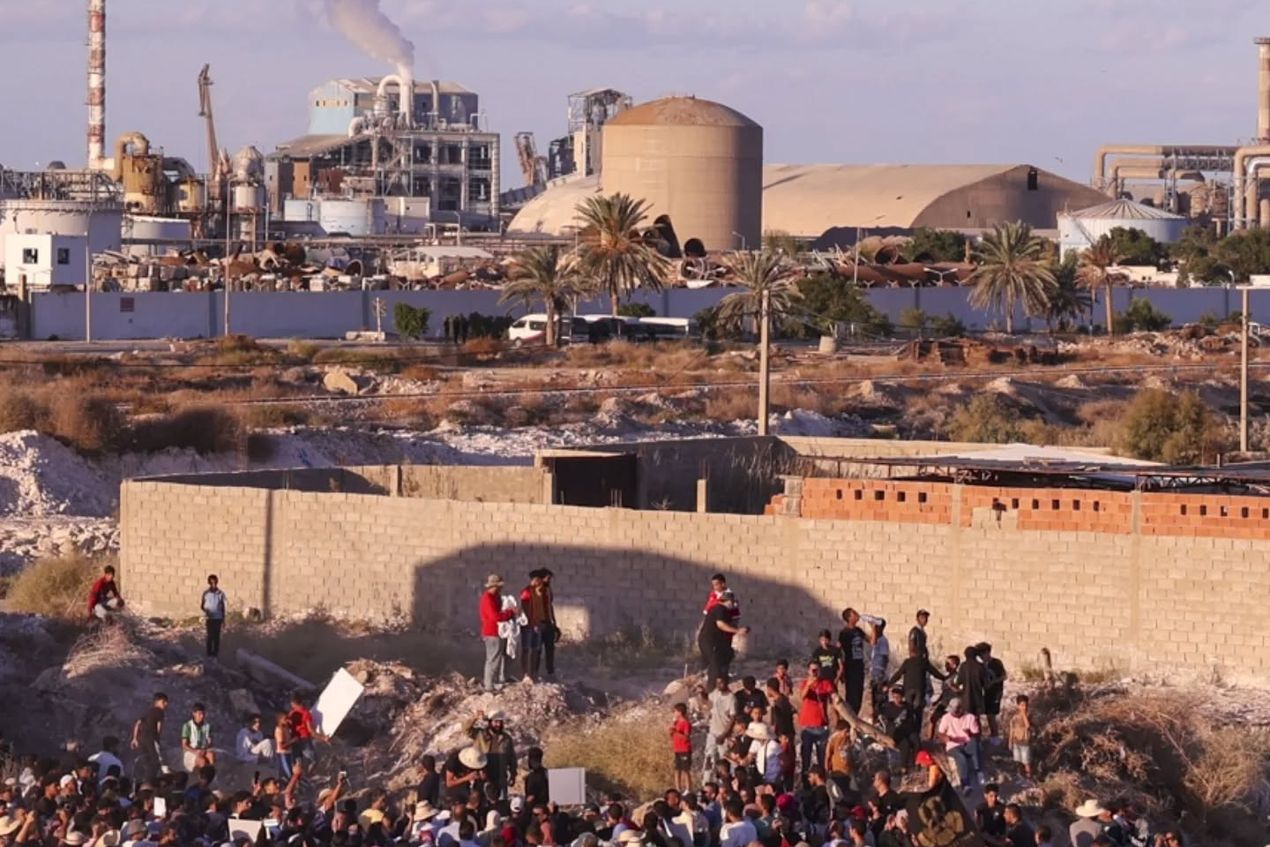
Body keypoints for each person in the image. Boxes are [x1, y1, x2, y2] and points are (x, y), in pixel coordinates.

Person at [890, 642, 946, 730]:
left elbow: (898, 674)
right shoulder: (924, 662)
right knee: (918, 711)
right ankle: (916, 730)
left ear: (912, 653)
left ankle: (908, 729)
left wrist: (889, 683)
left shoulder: (907, 662)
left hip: (908, 689)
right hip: (919, 690)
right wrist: (944, 678)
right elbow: (935, 672)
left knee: (908, 709)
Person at [697, 591, 747, 688]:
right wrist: (737, 631)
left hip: (717, 642)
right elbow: (721, 625)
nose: (734, 604)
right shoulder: (720, 608)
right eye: (732, 602)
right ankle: (710, 689)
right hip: (709, 641)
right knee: (714, 664)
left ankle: (720, 683)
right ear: (728, 601)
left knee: (725, 658)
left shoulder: (725, 612)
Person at [479, 574, 517, 693]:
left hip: (498, 632)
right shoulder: (488, 598)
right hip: (492, 633)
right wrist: (510, 613)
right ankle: (489, 686)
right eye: (499, 587)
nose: (501, 589)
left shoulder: (495, 597)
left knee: (498, 658)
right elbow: (495, 616)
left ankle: (496, 682)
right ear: (494, 586)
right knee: (493, 659)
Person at [466, 709, 516, 799]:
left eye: (500, 722)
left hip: (500, 778)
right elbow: (466, 729)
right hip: (483, 777)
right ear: (490, 722)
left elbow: (512, 758)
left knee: (501, 804)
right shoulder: (480, 735)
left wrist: (513, 774)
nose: (498, 725)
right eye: (496, 722)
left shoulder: (507, 739)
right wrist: (475, 718)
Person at [797, 661, 835, 781]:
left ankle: (822, 781)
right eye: (812, 670)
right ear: (808, 671)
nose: (814, 672)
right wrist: (809, 685)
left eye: (816, 670)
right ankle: (806, 782)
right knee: (806, 756)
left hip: (821, 725)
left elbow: (833, 697)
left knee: (822, 756)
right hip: (807, 726)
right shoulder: (804, 683)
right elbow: (802, 696)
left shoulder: (825, 683)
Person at [936, 697, 980, 794]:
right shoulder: (946, 718)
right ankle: (966, 784)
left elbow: (976, 733)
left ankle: (978, 771)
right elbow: (940, 733)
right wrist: (945, 738)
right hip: (953, 745)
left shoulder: (970, 717)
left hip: (967, 743)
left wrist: (969, 733)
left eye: (956, 711)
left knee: (974, 744)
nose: (954, 714)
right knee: (961, 758)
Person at [877, 686, 920, 772]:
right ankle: (903, 767)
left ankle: (917, 763)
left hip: (907, 730)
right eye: (894, 697)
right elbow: (879, 710)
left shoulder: (907, 707)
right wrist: (881, 698)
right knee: (905, 744)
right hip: (895, 731)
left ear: (902, 697)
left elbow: (912, 718)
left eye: (898, 697)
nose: (896, 699)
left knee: (916, 741)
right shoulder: (889, 706)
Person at [130, 691, 167, 783]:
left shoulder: (147, 711)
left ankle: (142, 781)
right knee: (156, 762)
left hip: (141, 738)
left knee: (146, 761)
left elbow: (138, 724)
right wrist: (157, 740)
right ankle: (149, 782)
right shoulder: (160, 712)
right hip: (151, 738)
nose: (166, 704)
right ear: (157, 702)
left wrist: (134, 738)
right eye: (164, 702)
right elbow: (159, 727)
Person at [837, 609, 867, 714]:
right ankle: (850, 719)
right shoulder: (844, 633)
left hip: (859, 665)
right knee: (851, 694)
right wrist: (840, 670)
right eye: (854, 613)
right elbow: (839, 651)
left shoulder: (858, 631)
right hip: (850, 666)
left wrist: (873, 627)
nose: (857, 614)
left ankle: (856, 716)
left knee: (859, 693)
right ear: (849, 618)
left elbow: (872, 641)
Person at [704, 676, 734, 782]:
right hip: (713, 732)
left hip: (723, 734)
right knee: (708, 758)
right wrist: (702, 693)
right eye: (717, 683)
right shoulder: (715, 693)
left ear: (726, 683)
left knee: (723, 760)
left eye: (721, 682)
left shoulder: (731, 698)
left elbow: (732, 718)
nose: (718, 685)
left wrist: (724, 734)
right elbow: (708, 701)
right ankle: (707, 782)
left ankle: (724, 782)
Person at [862, 617, 890, 718]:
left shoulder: (883, 641)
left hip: (879, 676)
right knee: (874, 701)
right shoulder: (876, 639)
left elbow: (884, 658)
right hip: (874, 674)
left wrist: (880, 674)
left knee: (879, 701)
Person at [979, 643, 1007, 741]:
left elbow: (1004, 676)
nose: (981, 658)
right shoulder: (982, 665)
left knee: (991, 715)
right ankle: (992, 734)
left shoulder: (996, 662)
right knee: (987, 714)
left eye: (982, 655)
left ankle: (995, 736)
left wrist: (992, 682)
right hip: (986, 692)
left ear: (987, 652)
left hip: (996, 692)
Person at [180, 702, 214, 772]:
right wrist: (195, 751)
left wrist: (204, 749)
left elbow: (210, 742)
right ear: (194, 714)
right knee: (202, 761)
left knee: (211, 756)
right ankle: (203, 778)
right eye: (199, 714)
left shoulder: (207, 726)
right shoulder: (187, 726)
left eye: (203, 714)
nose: (202, 716)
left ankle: (211, 775)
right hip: (191, 751)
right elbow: (184, 745)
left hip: (203, 749)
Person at [200, 574, 227, 659]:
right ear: (209, 583)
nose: (213, 584)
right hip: (210, 618)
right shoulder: (206, 593)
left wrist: (223, 619)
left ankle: (215, 654)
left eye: (215, 582)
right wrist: (207, 611)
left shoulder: (220, 594)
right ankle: (209, 654)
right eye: (212, 583)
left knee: (216, 637)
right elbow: (202, 606)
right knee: (210, 636)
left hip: (218, 618)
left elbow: (223, 607)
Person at [669, 703, 692, 793]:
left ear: (680, 712)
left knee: (685, 770)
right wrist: (671, 732)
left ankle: (688, 789)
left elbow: (686, 737)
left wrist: (676, 732)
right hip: (677, 749)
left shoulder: (686, 723)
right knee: (677, 769)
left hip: (685, 749)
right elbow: (673, 736)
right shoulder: (676, 723)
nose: (673, 713)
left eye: (675, 711)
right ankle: (678, 788)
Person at [1008, 694, 1033, 779]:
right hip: (1016, 741)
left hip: (1025, 741)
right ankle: (1020, 776)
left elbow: (1028, 726)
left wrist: (1023, 715)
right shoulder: (1014, 718)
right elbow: (1012, 730)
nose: (1024, 707)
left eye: (1025, 705)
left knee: (1026, 761)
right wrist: (1010, 742)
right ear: (1018, 706)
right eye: (1022, 705)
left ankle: (1029, 776)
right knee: (1018, 760)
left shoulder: (1029, 716)